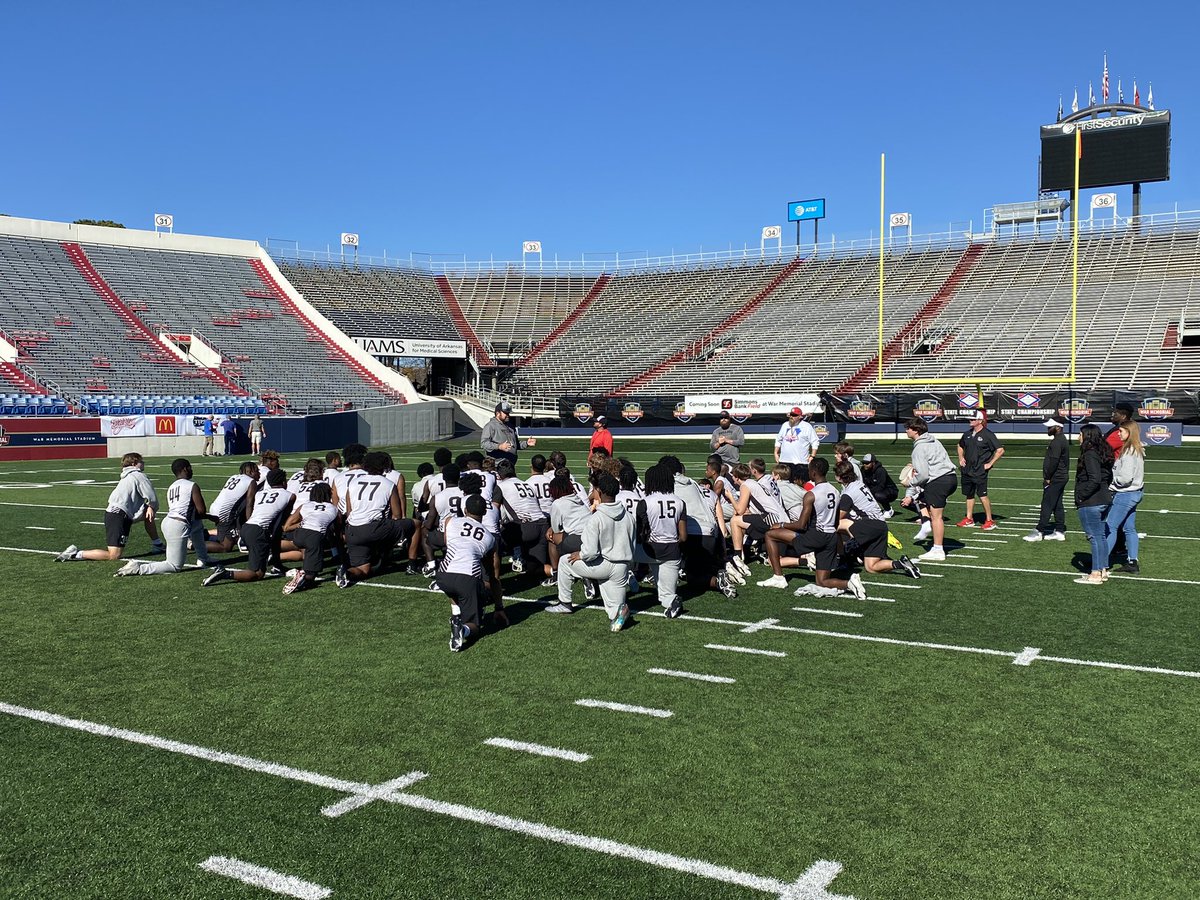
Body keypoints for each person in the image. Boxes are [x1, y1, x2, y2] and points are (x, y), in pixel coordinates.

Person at [756, 457, 863, 597]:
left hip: (816, 536)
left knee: (770, 535)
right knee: (822, 581)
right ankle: (849, 583)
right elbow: (836, 523)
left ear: (813, 473)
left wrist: (781, 524)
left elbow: (800, 525)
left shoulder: (811, 494)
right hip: (831, 537)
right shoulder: (835, 491)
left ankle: (778, 577)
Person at [557, 472, 636, 632]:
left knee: (565, 561)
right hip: (622, 567)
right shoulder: (628, 516)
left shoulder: (596, 518)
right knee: (615, 609)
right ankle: (618, 612)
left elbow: (590, 552)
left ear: (599, 491)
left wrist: (581, 554)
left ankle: (564, 604)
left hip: (602, 565)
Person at [113, 458, 215, 577]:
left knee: (197, 525)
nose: (192, 470)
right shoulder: (192, 485)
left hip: (170, 521)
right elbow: (201, 510)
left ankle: (203, 558)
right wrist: (212, 517)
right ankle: (139, 568)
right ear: (185, 469)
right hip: (178, 524)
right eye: (190, 468)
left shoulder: (172, 486)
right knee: (174, 565)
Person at [56, 453, 161, 564]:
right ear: (134, 463)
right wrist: (152, 506)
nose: (143, 463)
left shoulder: (128, 475)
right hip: (119, 515)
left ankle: (157, 544)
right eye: (141, 461)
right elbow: (151, 496)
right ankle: (75, 554)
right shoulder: (138, 475)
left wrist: (149, 507)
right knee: (114, 555)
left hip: (117, 513)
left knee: (147, 513)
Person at [658, 456, 738, 599]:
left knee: (692, 578)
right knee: (699, 565)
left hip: (693, 534)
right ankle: (715, 570)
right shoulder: (693, 483)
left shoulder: (669, 485)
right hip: (710, 532)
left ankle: (716, 581)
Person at [203, 467, 294, 586]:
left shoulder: (261, 493)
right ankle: (225, 573)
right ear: (283, 482)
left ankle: (277, 566)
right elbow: (280, 521)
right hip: (258, 531)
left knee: (263, 552)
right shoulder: (290, 495)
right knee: (257, 573)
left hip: (247, 527)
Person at [335, 451, 413, 588]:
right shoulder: (388, 483)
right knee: (416, 525)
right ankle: (413, 564)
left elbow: (349, 511)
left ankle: (346, 572)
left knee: (363, 570)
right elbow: (397, 515)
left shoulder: (353, 483)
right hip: (373, 529)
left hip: (352, 531)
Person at [832, 460, 920, 580]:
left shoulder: (848, 494)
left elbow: (837, 518)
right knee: (871, 567)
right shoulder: (859, 484)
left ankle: (844, 559)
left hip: (870, 525)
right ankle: (900, 563)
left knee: (833, 525)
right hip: (881, 526)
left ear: (840, 477)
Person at [442, 494, 508, 652]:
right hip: (466, 579)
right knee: (475, 628)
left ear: (465, 510)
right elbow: (493, 575)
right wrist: (499, 607)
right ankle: (462, 629)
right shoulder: (489, 538)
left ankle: (456, 615)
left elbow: (447, 543)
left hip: (443, 575)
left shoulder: (450, 521)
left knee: (456, 584)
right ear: (485, 513)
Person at [635, 464, 688, 618]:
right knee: (666, 596)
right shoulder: (679, 502)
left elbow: (640, 534)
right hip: (672, 552)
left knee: (621, 554)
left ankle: (630, 580)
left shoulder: (645, 502)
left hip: (649, 551)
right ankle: (672, 600)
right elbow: (683, 537)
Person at [902, 417, 958, 562]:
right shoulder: (934, 440)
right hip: (951, 478)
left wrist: (909, 483)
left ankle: (938, 549)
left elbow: (923, 474)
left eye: (908, 428)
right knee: (920, 499)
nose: (906, 430)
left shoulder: (919, 448)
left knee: (937, 517)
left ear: (916, 430)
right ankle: (926, 525)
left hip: (939, 481)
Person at [281, 482, 340, 594]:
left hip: (299, 535)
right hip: (314, 536)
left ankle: (305, 568)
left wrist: (300, 524)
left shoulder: (305, 505)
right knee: (311, 575)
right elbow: (338, 527)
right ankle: (303, 576)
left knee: (308, 553)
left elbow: (287, 527)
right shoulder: (333, 508)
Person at [1073, 423, 1114, 585]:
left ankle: (1096, 573)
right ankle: (1103, 569)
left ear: (1087, 436)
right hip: (1103, 498)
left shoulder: (1090, 454)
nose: (1078, 437)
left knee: (1094, 537)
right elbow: (1107, 476)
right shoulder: (1102, 452)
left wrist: (1082, 495)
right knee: (1101, 536)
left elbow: (1094, 479)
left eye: (1080, 434)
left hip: (1092, 501)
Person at [1105, 420, 1145, 574]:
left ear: (1129, 432)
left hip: (1126, 494)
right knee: (1129, 528)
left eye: (1121, 431)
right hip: (1135, 492)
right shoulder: (1136, 449)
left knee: (1111, 526)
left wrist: (1111, 484)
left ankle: (1101, 561)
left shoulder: (1128, 452)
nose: (1118, 434)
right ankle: (1133, 561)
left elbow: (1125, 478)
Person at [956, 411, 1004, 530]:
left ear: (980, 420)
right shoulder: (967, 434)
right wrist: (961, 458)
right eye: (970, 419)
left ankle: (989, 520)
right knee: (969, 494)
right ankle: (969, 518)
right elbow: (960, 445)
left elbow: (1000, 450)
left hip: (979, 470)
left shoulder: (988, 434)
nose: (970, 421)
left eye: (973, 419)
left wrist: (990, 464)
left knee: (982, 495)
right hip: (967, 469)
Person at [1024, 418, 1069, 542]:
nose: (1048, 429)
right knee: (1057, 504)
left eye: (1050, 427)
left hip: (1056, 477)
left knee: (1047, 504)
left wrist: (1048, 477)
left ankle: (1039, 531)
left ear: (1058, 427)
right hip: (1061, 476)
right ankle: (1060, 530)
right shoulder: (1061, 440)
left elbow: (1054, 461)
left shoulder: (1057, 442)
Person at [206, 461, 259, 553]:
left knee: (231, 537)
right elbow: (249, 504)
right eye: (257, 471)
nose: (259, 473)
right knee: (226, 547)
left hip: (215, 508)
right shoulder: (251, 482)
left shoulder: (234, 477)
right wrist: (251, 524)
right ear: (250, 472)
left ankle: (204, 535)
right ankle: (194, 544)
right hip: (224, 513)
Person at [860, 453, 898, 518]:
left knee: (878, 495)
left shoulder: (880, 471)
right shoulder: (863, 470)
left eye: (867, 463)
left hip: (890, 490)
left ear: (873, 463)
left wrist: (868, 493)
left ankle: (888, 510)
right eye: (863, 463)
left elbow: (881, 486)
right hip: (875, 489)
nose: (865, 465)